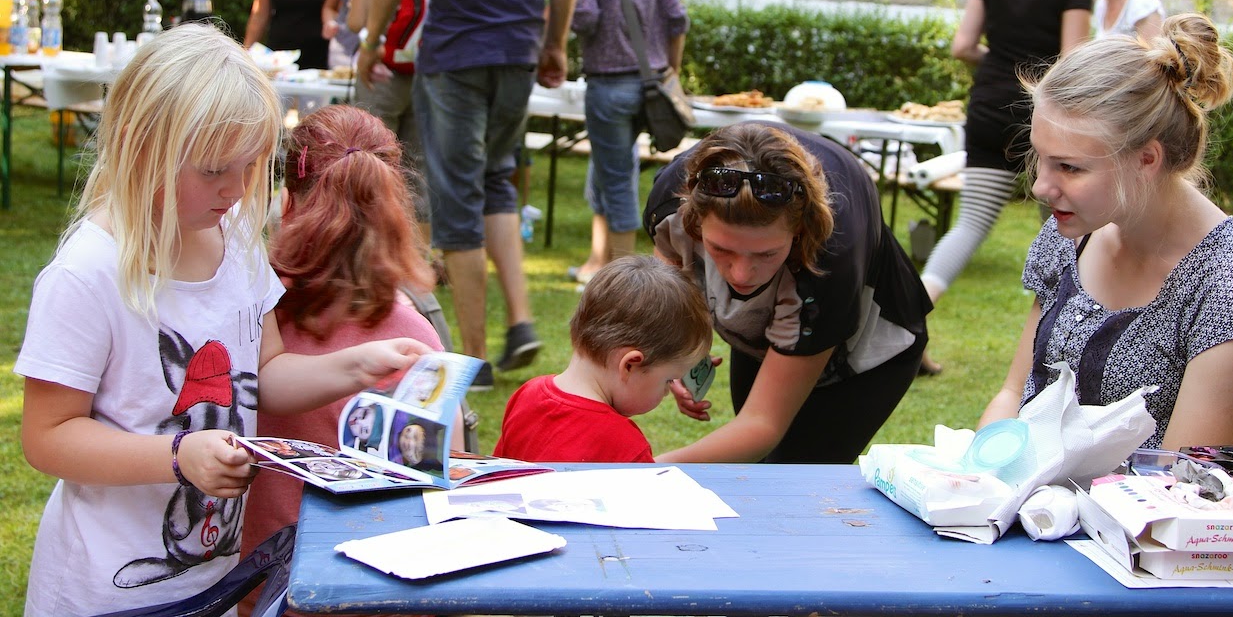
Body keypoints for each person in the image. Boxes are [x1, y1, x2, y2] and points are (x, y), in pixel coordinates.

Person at [13, 25, 430, 617]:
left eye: (250, 166)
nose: (236, 191)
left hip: (212, 583)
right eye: (213, 170)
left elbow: (264, 373)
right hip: (103, 592)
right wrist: (179, 458)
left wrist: (355, 366)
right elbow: (47, 436)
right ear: (140, 146)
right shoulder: (88, 273)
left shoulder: (233, 242)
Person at [362, 0, 578, 389]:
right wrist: (555, 43)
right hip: (517, 50)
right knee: (495, 184)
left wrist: (372, 39)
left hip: (454, 53)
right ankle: (520, 319)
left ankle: (475, 362)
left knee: (456, 200)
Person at [979, 14, 1233, 451]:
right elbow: (1014, 393)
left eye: (1069, 166)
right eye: (1040, 158)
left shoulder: (1231, 284)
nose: (1042, 186)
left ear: (1146, 159)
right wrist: (981, 475)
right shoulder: (1071, 235)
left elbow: (1180, 485)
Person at [240, 105, 447, 611]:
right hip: (373, 587)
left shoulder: (248, 314)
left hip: (247, 585)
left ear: (286, 202)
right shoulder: (415, 338)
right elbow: (438, 489)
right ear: (394, 208)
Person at [644, 122, 931, 463]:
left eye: (765, 254)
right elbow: (674, 279)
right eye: (720, 249)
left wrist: (646, 472)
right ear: (693, 219)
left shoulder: (830, 258)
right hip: (779, 322)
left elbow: (762, 425)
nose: (740, 274)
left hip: (868, 352)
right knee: (753, 469)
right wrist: (680, 349)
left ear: (799, 232)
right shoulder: (671, 200)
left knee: (791, 476)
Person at [918, 0, 1101, 375]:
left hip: (988, 105)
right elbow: (1071, 59)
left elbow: (962, 46)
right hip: (1044, 120)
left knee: (970, 224)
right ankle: (1057, 351)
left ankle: (904, 325)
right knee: (1065, 231)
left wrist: (1000, 62)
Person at [565, 0, 688, 285]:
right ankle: (595, 262)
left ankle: (624, 283)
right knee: (605, 171)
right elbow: (676, 18)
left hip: (609, 86)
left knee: (616, 178)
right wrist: (670, 70)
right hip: (650, 84)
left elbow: (584, 16)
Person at [495, 255, 712, 463]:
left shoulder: (525, 396)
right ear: (629, 364)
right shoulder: (624, 447)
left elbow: (495, 476)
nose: (667, 392)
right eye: (668, 380)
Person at [348, 0, 429, 219]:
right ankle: (418, 259)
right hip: (429, 70)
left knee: (368, 161)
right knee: (419, 171)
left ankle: (366, 249)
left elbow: (356, 20)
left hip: (380, 67)